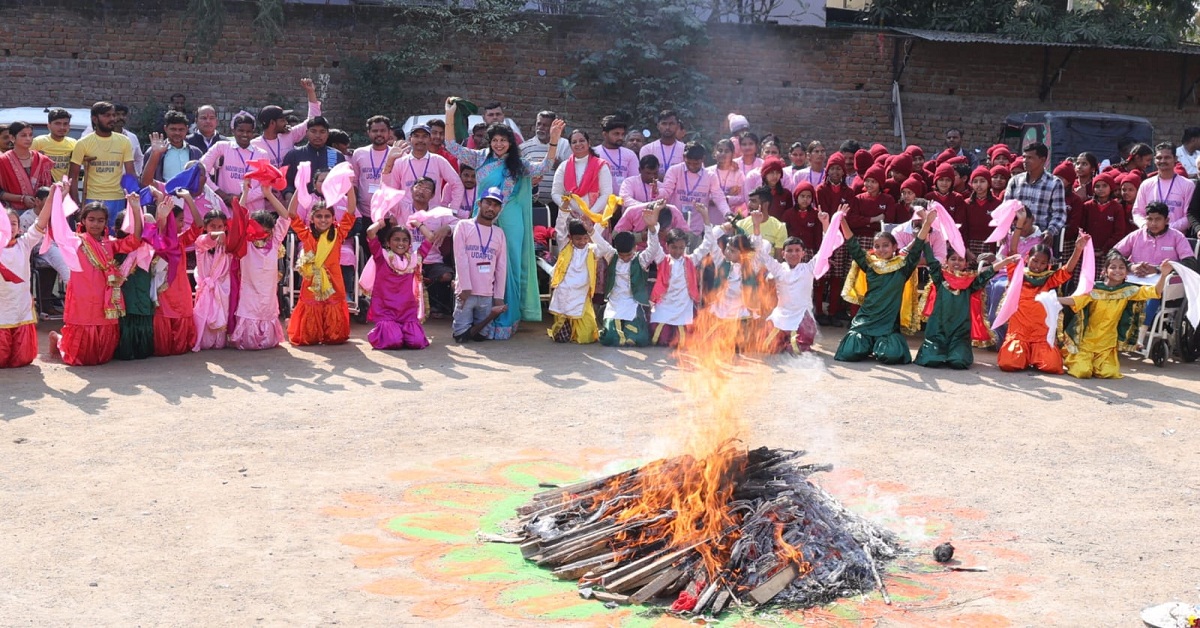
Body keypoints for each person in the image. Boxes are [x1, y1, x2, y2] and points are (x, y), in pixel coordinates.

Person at [444, 97, 564, 339]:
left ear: (511, 143)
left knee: (508, 267)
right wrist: (449, 116)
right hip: (483, 219)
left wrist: (553, 141)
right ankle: (479, 316)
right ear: (490, 141)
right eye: (495, 140)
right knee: (479, 263)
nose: (499, 144)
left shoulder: (519, 164)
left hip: (511, 221)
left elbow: (544, 167)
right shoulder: (480, 158)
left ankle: (507, 318)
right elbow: (450, 146)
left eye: (503, 140)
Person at [48, 192, 144, 366]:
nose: (95, 224)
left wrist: (136, 210)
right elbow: (57, 228)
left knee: (101, 358)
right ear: (83, 221)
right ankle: (58, 340)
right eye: (91, 219)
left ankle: (59, 339)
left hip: (104, 297)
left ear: (105, 222)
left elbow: (135, 241)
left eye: (100, 220)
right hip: (82, 295)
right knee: (80, 358)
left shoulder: (111, 243)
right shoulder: (75, 241)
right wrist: (60, 198)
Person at [832, 203, 935, 364]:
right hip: (865, 321)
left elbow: (916, 249)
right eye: (877, 246)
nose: (881, 249)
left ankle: (876, 346)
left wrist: (927, 223)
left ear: (895, 247)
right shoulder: (870, 264)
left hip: (887, 326)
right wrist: (842, 220)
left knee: (892, 355)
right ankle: (867, 345)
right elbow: (853, 245)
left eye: (886, 245)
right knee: (849, 352)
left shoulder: (903, 266)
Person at [1061, 253, 1172, 379]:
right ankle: (1078, 359)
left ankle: (1096, 363)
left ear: (1126, 273)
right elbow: (1075, 300)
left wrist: (1163, 275)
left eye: (1121, 268)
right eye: (1113, 267)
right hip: (1085, 342)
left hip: (1106, 345)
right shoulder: (1094, 289)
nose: (1117, 270)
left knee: (1108, 373)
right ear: (1104, 271)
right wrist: (1055, 299)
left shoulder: (1128, 291)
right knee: (1082, 372)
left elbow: (1155, 292)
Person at [995, 230, 1089, 373]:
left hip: (1041, 334)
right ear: (1027, 258)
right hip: (1019, 331)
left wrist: (1078, 249)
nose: (1038, 266)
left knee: (1052, 366)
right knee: (1009, 364)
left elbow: (1067, 270)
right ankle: (1025, 355)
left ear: (1048, 265)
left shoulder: (1049, 279)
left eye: (1043, 263)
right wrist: (1019, 224)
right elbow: (1013, 250)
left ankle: (1033, 355)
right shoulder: (1017, 274)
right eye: (1035, 261)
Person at [915, 248, 1018, 369]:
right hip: (937, 333)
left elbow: (988, 273)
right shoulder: (940, 277)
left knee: (958, 361)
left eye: (961, 259)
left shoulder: (971, 282)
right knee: (931, 360)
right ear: (946, 261)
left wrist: (1006, 262)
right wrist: (926, 240)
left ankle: (956, 352)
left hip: (959, 335)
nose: (957, 262)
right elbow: (932, 261)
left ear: (966, 263)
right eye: (953, 259)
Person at [286, 191, 357, 346]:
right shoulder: (306, 234)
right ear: (311, 218)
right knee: (311, 312)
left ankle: (332, 333)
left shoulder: (338, 233)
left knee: (335, 331)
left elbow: (351, 211)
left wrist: (350, 188)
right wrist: (299, 188)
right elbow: (291, 213)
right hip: (312, 278)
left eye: (327, 216)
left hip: (334, 278)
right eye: (319, 216)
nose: (323, 220)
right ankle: (312, 334)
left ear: (333, 218)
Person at [752, 213, 824, 354]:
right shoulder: (778, 268)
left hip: (803, 316)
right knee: (765, 346)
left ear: (803, 253)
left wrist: (826, 223)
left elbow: (825, 250)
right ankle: (784, 339)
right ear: (783, 254)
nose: (793, 254)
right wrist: (756, 225)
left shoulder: (809, 268)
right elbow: (760, 252)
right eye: (789, 251)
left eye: (797, 250)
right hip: (781, 315)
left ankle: (789, 340)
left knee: (798, 349)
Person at [230, 181, 290, 351]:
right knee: (249, 317)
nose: (262, 234)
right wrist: (245, 193)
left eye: (266, 231)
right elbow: (238, 218)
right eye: (257, 230)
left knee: (268, 315)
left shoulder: (276, 241)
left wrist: (268, 194)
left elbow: (285, 217)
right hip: (249, 292)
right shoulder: (246, 244)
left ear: (272, 231)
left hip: (268, 294)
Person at [363, 219, 431, 350]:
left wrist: (417, 223)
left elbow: (430, 237)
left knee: (417, 342)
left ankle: (400, 331)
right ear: (388, 242)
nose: (401, 243)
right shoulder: (381, 257)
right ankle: (389, 332)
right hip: (386, 310)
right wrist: (381, 222)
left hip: (407, 311)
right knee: (393, 342)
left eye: (405, 240)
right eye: (396, 239)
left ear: (409, 244)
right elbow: (370, 232)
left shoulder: (413, 260)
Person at [451, 186, 508, 342]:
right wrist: (465, 286)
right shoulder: (463, 226)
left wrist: (498, 297)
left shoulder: (499, 233)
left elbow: (501, 267)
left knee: (481, 337)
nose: (491, 208)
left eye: (496, 205)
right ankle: (488, 318)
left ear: (499, 209)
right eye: (488, 203)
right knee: (460, 337)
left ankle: (489, 317)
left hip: (486, 295)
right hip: (466, 293)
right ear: (479, 203)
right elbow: (460, 258)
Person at [0, 198, 51, 368]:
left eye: (13, 223)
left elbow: (41, 222)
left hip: (21, 306)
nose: (9, 227)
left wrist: (52, 196)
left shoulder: (24, 244)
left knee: (22, 360)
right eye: (4, 223)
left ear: (19, 228)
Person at [68, 102, 135, 227]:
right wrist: (76, 203)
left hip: (117, 198)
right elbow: (73, 176)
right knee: (93, 237)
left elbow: (130, 173)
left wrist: (133, 200)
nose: (112, 119)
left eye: (113, 115)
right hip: (92, 198)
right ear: (95, 119)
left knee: (116, 237)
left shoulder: (124, 141)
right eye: (107, 116)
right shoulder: (83, 143)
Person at [646, 226, 716, 347]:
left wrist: (706, 219)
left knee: (684, 341)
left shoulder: (691, 260)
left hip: (684, 307)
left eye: (681, 248)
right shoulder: (662, 259)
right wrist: (652, 227)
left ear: (685, 247)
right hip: (665, 306)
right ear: (667, 246)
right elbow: (653, 244)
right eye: (674, 247)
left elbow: (707, 243)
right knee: (660, 338)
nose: (678, 251)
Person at [153, 193, 203, 356]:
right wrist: (162, 217)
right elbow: (159, 235)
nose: (183, 223)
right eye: (180, 220)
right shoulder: (157, 240)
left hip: (181, 292)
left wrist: (189, 198)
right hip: (164, 293)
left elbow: (199, 225)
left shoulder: (181, 240)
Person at [598, 223, 657, 347]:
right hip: (615, 302)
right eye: (621, 255)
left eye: (628, 255)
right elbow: (601, 243)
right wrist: (591, 231)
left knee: (640, 339)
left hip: (633, 302)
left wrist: (652, 229)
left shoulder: (641, 259)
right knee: (609, 338)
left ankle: (626, 331)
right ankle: (615, 327)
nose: (624, 258)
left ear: (635, 248)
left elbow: (653, 248)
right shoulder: (611, 255)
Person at [111, 206, 157, 361]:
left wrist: (144, 215)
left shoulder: (147, 246)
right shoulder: (115, 246)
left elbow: (152, 224)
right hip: (123, 298)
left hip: (142, 293)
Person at [546, 219, 602, 344]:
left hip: (582, 294)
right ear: (570, 237)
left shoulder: (593, 250)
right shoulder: (565, 246)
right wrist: (564, 207)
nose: (582, 242)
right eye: (578, 239)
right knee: (561, 338)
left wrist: (592, 231)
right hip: (564, 292)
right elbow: (560, 228)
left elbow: (604, 246)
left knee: (587, 337)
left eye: (585, 238)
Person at [200, 112, 271, 210]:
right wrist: (221, 194)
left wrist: (242, 198)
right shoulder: (221, 147)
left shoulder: (262, 154)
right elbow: (201, 171)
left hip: (253, 211)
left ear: (253, 132)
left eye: (249, 131)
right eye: (240, 130)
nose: (245, 134)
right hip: (226, 207)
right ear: (233, 131)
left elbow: (266, 185)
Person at [383, 124, 464, 209]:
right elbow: (392, 191)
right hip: (406, 216)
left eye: (424, 136)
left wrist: (453, 209)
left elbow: (457, 184)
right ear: (410, 139)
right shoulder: (400, 163)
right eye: (416, 136)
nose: (420, 140)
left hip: (432, 216)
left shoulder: (438, 160)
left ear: (430, 139)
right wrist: (393, 214)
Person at [660, 142, 730, 239]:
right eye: (689, 163)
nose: (692, 166)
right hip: (673, 228)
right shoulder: (674, 171)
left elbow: (718, 197)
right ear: (684, 157)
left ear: (703, 159)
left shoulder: (710, 176)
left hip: (696, 229)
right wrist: (656, 192)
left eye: (696, 163)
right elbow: (666, 192)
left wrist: (727, 213)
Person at [1004, 142, 1068, 245]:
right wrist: (1004, 230)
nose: (1025, 161)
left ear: (1042, 160)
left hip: (1040, 239)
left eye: (1030, 158)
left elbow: (1059, 214)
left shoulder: (1054, 183)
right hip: (1015, 237)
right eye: (1024, 157)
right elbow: (1006, 210)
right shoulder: (1015, 181)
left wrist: (1050, 231)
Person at [250, 78, 322, 167]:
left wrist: (311, 92)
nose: (286, 122)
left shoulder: (289, 135)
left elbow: (313, 120)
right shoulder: (254, 145)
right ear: (272, 123)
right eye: (282, 120)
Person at [552, 129, 614, 226]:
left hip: (596, 218)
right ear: (570, 146)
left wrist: (589, 214)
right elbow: (556, 193)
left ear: (589, 143)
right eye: (574, 142)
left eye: (582, 140)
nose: (578, 144)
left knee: (596, 241)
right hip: (571, 218)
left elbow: (606, 194)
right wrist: (567, 209)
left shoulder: (600, 165)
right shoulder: (563, 166)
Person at [1132, 143, 1195, 233]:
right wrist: (1146, 226)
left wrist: (1167, 229)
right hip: (1149, 237)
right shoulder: (1146, 184)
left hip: (1176, 238)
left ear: (1175, 159)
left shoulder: (1187, 185)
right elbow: (1137, 212)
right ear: (1154, 160)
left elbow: (1189, 216)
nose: (1162, 161)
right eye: (1159, 158)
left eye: (1167, 157)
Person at [1082, 171, 1131, 279]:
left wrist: (1104, 249)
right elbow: (1082, 228)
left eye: (1104, 186)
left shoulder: (1117, 207)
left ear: (1111, 188)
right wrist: (1087, 246)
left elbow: (1119, 232)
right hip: (1088, 251)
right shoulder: (1087, 206)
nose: (1101, 189)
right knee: (1085, 279)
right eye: (1097, 186)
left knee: (1104, 280)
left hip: (1107, 253)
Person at [281, 117, 345, 196]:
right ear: (307, 132)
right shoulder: (294, 155)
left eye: (322, 132)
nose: (318, 135)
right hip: (301, 205)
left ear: (328, 133)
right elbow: (286, 182)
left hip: (330, 205)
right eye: (313, 131)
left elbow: (343, 183)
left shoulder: (337, 155)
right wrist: (289, 198)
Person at [0, 122, 55, 211]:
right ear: (12, 138)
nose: (28, 139)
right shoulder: (3, 161)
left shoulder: (41, 160)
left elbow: (49, 185)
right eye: (23, 135)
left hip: (40, 212)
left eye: (30, 135)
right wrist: (22, 198)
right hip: (12, 213)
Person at [141, 111, 203, 188]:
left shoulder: (196, 153)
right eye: (173, 129)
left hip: (190, 198)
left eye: (181, 130)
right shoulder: (154, 152)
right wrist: (155, 154)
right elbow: (145, 182)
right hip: (163, 198)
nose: (177, 133)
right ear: (165, 129)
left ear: (187, 129)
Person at [738, 186, 788, 256]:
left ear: (765, 205)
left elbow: (778, 258)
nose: (749, 205)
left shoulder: (779, 227)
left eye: (753, 201)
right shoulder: (740, 225)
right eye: (749, 201)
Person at [32, 109, 77, 182]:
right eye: (57, 123)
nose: (62, 127)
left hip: (64, 188)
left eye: (65, 124)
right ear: (49, 126)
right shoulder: (38, 142)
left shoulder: (73, 143)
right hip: (43, 188)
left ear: (69, 126)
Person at [594, 115, 638, 185]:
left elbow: (634, 182)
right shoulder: (594, 153)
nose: (620, 137)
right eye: (616, 134)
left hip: (624, 195)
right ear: (605, 134)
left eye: (622, 134)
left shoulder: (630, 154)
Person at [639, 110, 683, 179]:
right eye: (664, 124)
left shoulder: (685, 149)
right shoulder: (647, 149)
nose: (667, 127)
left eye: (671, 124)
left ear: (677, 126)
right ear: (658, 126)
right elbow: (646, 175)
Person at [709, 139, 747, 215]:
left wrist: (726, 199)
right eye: (720, 150)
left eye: (727, 151)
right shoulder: (708, 172)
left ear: (733, 154)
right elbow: (703, 195)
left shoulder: (738, 174)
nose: (723, 153)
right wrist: (715, 199)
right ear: (715, 153)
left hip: (730, 217)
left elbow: (743, 197)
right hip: (710, 215)